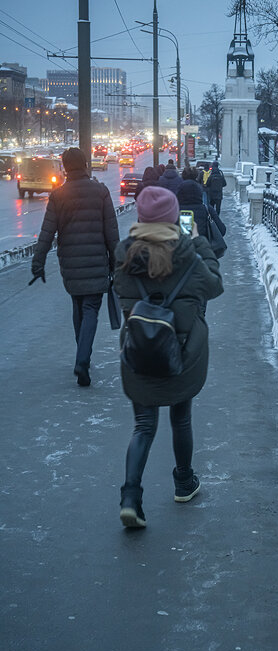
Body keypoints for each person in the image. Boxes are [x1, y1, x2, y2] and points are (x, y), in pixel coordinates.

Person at [113, 186, 224, 528]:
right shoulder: (189, 254)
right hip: (184, 352)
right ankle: (183, 482)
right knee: (181, 418)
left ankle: (131, 497)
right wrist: (198, 243)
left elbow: (120, 293)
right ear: (174, 217)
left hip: (140, 352)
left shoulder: (125, 256)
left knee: (144, 425)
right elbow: (215, 286)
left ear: (141, 217)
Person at [30, 147, 119, 387]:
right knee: (91, 308)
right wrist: (116, 263)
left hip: (70, 263)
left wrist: (38, 263)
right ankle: (82, 360)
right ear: (85, 164)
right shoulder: (101, 192)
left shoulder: (58, 195)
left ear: (66, 167)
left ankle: (82, 356)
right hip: (96, 261)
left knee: (78, 305)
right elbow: (112, 233)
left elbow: (47, 233)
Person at [178, 166, 226, 240]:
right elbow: (222, 230)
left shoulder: (174, 211)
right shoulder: (206, 209)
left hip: (180, 249)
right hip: (201, 247)